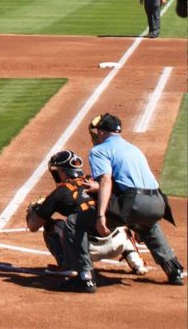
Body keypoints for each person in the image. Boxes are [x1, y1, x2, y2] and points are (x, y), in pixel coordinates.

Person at [63, 113, 185, 289]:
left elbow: (106, 180)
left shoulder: (99, 150)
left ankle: (85, 276)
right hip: (158, 202)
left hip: (133, 203)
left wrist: (100, 216)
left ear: (102, 132)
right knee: (147, 224)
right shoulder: (134, 149)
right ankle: (174, 270)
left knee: (75, 222)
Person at [26, 149, 147, 287]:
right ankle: (135, 260)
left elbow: (33, 226)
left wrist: (34, 211)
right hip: (118, 243)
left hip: (89, 249)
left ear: (62, 172)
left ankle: (69, 266)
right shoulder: (98, 183)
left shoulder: (60, 192)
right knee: (114, 214)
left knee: (53, 226)